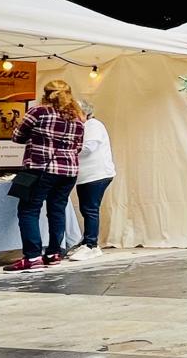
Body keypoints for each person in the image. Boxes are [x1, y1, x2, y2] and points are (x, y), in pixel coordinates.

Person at [6, 79, 85, 272]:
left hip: (40, 168)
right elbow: (79, 147)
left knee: (29, 210)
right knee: (57, 210)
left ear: (45, 94)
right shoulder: (78, 118)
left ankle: (32, 257)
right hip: (68, 172)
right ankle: (53, 253)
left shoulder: (39, 112)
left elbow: (17, 137)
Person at [70, 101, 115, 261]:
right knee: (87, 209)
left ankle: (91, 245)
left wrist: (67, 150)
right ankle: (87, 242)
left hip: (96, 174)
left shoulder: (93, 125)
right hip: (87, 175)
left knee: (90, 209)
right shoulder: (85, 126)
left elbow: (89, 147)